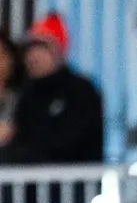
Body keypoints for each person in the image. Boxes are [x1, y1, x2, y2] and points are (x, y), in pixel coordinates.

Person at [0, 12, 103, 164]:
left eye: (42, 48)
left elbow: (70, 144)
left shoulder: (80, 91)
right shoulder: (27, 94)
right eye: (29, 49)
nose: (33, 56)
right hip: (29, 177)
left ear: (58, 51)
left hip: (71, 177)